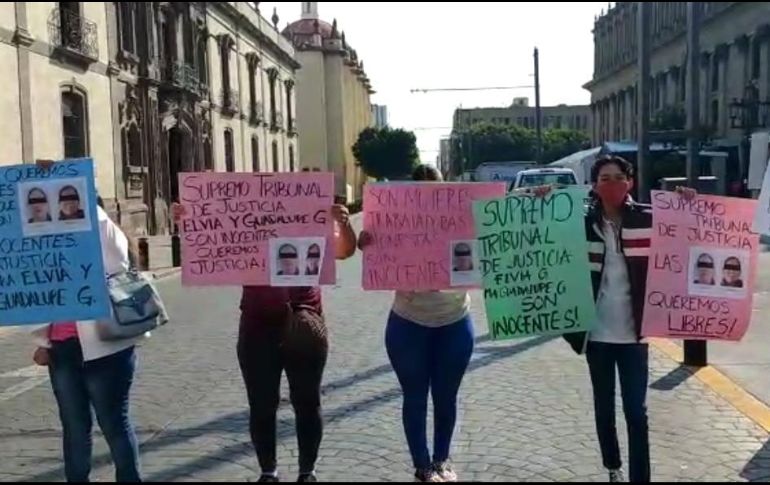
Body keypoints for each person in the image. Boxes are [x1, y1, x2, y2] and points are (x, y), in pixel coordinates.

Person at [171, 200, 356, 483]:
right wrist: (189, 221)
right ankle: (268, 472)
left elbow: (345, 251)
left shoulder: (309, 221)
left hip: (304, 322)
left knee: (307, 402)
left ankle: (308, 472)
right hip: (257, 325)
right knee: (261, 404)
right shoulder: (246, 226)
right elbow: (210, 250)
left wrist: (342, 223)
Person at [544, 155, 695, 484]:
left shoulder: (649, 218)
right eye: (604, 178)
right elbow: (539, 234)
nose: (611, 184)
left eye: (617, 177)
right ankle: (613, 466)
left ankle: (640, 478)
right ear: (594, 185)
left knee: (636, 413)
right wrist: (536, 203)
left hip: (634, 336)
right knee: (604, 408)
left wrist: (687, 206)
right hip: (596, 335)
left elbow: (686, 242)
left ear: (630, 181)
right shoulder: (581, 223)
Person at [358, 164, 474, 483]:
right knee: (415, 396)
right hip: (408, 322)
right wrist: (368, 242)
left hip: (455, 320)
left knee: (446, 396)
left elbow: (505, 227)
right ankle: (422, 466)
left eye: (432, 190)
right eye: (419, 190)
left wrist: (538, 199)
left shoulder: (464, 217)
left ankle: (441, 462)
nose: (426, 196)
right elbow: (370, 247)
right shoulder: (397, 220)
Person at [31, 171, 144, 483]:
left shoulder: (107, 233)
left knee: (113, 425)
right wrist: (46, 341)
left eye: (71, 197)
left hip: (107, 351)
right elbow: (46, 293)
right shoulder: (53, 239)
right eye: (59, 198)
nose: (64, 204)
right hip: (64, 351)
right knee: (74, 429)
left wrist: (58, 175)